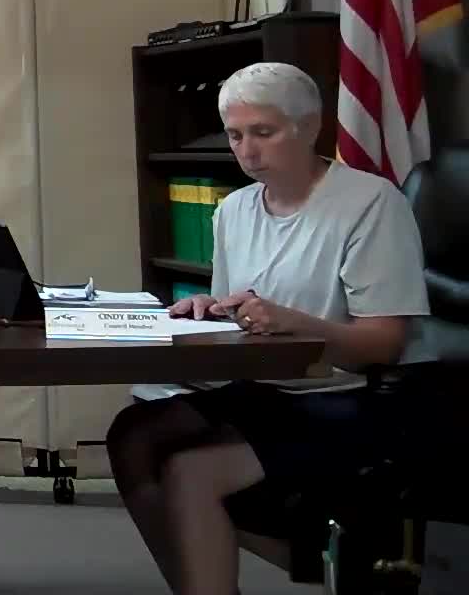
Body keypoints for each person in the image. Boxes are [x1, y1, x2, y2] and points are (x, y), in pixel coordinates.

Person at [106, 61, 433, 595]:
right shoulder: (233, 209)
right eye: (235, 135)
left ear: (309, 127)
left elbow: (383, 344)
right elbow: (241, 315)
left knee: (192, 471)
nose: (247, 151)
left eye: (263, 132)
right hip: (262, 390)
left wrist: (295, 324)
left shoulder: (371, 203)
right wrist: (211, 309)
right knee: (133, 436)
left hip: (343, 396)